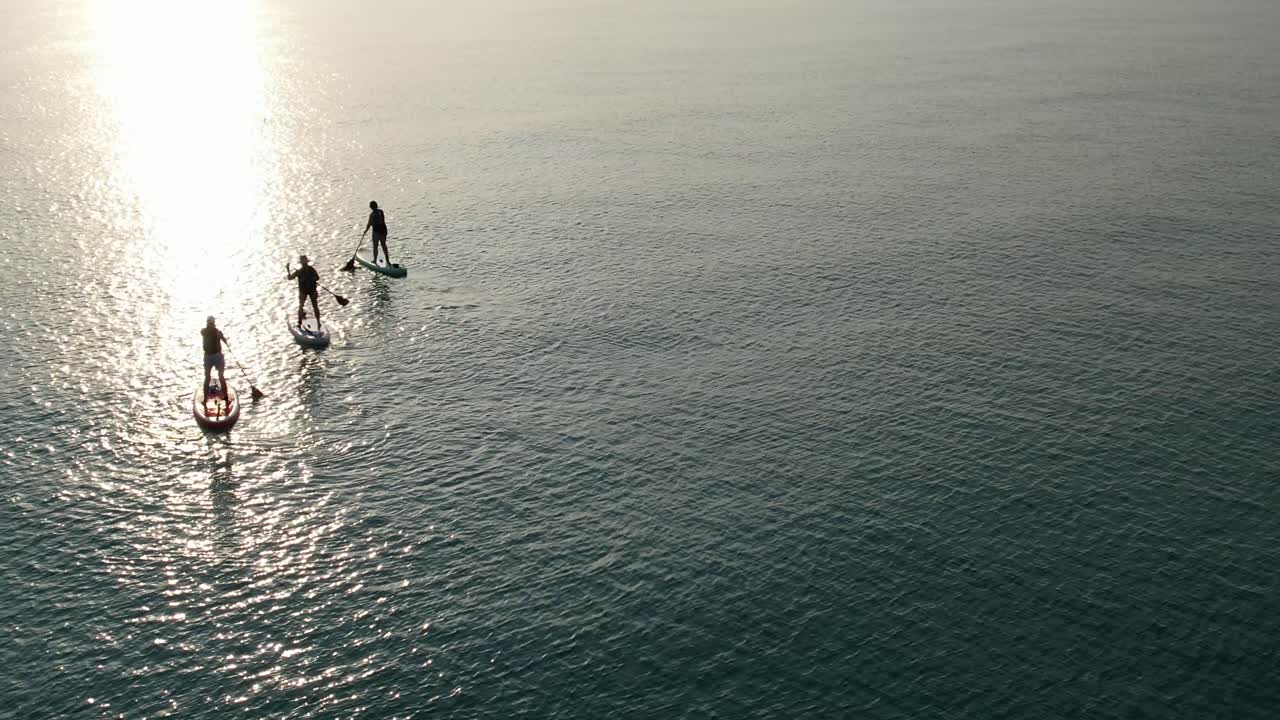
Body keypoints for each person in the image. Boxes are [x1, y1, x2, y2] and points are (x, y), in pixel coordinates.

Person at [287, 255, 321, 330]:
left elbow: (290, 278)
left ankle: (299, 323)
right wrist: (313, 278)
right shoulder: (311, 269)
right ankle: (318, 323)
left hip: (305, 291)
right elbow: (317, 278)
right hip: (310, 290)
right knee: (314, 306)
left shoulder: (300, 271)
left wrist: (288, 269)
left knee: (301, 306)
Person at [201, 316, 229, 401]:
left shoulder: (217, 332)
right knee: (207, 377)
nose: (211, 325)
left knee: (221, 376)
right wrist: (219, 334)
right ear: (207, 323)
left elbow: (225, 341)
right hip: (208, 357)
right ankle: (205, 399)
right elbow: (205, 332)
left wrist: (222, 337)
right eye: (209, 323)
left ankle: (226, 397)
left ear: (213, 323)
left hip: (217, 356)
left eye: (212, 323)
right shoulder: (204, 331)